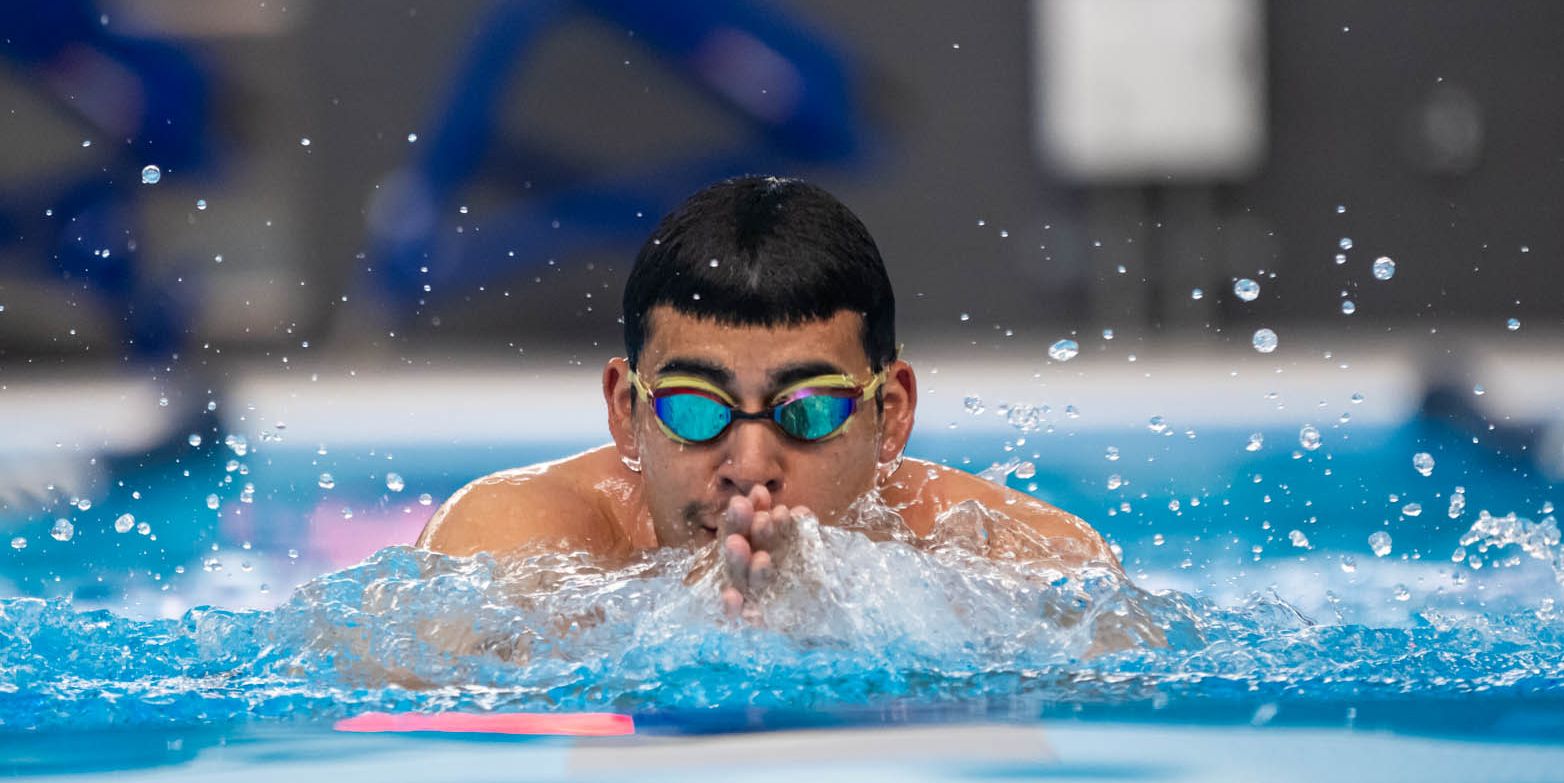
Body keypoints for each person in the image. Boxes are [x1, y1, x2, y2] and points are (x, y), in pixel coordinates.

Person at [419, 175, 1122, 614]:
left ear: (892, 414)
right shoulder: (505, 538)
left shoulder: (1025, 561)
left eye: (807, 411)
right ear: (627, 414)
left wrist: (830, 617)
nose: (750, 464)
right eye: (694, 407)